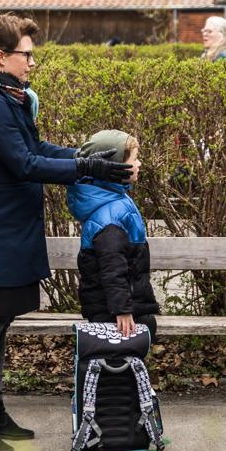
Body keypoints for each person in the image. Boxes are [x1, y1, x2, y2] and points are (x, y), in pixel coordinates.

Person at [0, 13, 133, 451]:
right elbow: (24, 164)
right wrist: (87, 167)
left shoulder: (10, 99)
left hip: (11, 230)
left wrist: (83, 155)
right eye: (26, 54)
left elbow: (37, 151)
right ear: (2, 56)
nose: (33, 62)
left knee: (0, 323)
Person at [67, 130, 160, 338]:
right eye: (134, 159)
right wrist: (122, 310)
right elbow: (112, 267)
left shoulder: (113, 199)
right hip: (114, 313)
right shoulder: (109, 216)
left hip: (120, 307)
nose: (139, 164)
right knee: (121, 359)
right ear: (116, 167)